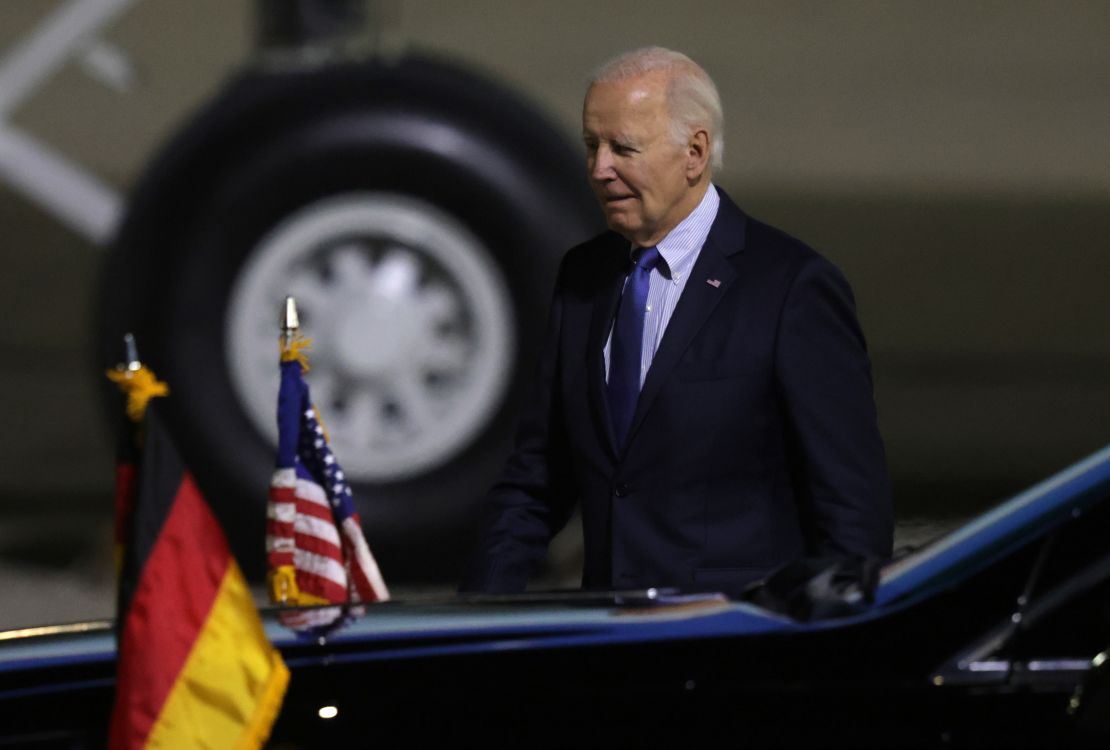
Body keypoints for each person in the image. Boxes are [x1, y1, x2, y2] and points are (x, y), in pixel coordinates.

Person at [460, 47, 892, 597]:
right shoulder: (583, 278)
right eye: (592, 146)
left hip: (736, 650)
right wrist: (478, 618)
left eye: (624, 149)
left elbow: (851, 511)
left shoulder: (791, 288)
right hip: (609, 647)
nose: (599, 169)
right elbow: (535, 483)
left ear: (694, 152)